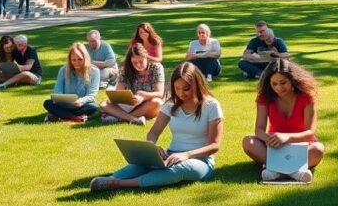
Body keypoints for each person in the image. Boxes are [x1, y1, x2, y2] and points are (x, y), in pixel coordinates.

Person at [89, 62, 224, 193]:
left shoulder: (211, 106)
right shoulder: (171, 104)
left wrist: (186, 155)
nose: (181, 93)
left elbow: (214, 145)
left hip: (201, 161)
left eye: (186, 88)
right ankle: (109, 180)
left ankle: (120, 184)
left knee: (181, 169)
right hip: (171, 155)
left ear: (196, 85)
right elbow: (153, 132)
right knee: (142, 164)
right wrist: (152, 147)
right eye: (177, 89)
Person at [242, 59, 325, 182]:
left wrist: (287, 138)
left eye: (283, 82)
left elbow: (310, 133)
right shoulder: (264, 97)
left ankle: (275, 171)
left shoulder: (307, 97)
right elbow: (259, 130)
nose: (279, 88)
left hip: (301, 144)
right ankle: (295, 172)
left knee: (318, 149)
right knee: (248, 142)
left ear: (292, 80)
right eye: (274, 84)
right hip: (274, 145)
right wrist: (270, 139)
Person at [100, 43, 165, 125]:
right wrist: (127, 97)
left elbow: (160, 93)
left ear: (146, 57)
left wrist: (144, 96)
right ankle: (134, 119)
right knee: (104, 104)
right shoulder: (126, 69)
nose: (138, 65)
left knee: (157, 102)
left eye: (141, 61)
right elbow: (119, 91)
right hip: (130, 103)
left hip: (148, 103)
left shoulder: (156, 67)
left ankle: (121, 117)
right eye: (134, 62)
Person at [43, 42, 100, 123]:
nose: (76, 63)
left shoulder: (95, 72)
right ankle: (75, 118)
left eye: (80, 59)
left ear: (85, 58)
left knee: (93, 107)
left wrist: (81, 101)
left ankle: (61, 115)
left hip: (83, 105)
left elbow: (92, 95)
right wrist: (64, 100)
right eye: (73, 60)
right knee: (47, 103)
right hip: (65, 104)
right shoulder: (63, 70)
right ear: (70, 60)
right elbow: (58, 91)